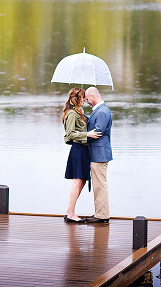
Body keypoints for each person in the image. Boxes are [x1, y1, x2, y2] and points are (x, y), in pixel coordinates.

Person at [63, 87, 101, 223]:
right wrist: (87, 134)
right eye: (83, 97)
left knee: (82, 181)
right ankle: (71, 213)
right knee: (77, 181)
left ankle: (69, 211)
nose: (85, 99)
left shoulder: (79, 112)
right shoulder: (72, 114)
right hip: (78, 149)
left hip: (83, 150)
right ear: (77, 99)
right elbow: (69, 134)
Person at [84, 86, 113, 224]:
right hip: (97, 153)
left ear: (93, 96)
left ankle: (102, 215)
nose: (86, 101)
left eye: (87, 98)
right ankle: (100, 213)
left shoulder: (102, 111)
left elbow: (97, 132)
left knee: (100, 185)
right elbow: (94, 125)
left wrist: (79, 136)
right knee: (98, 185)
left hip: (99, 153)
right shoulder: (99, 110)